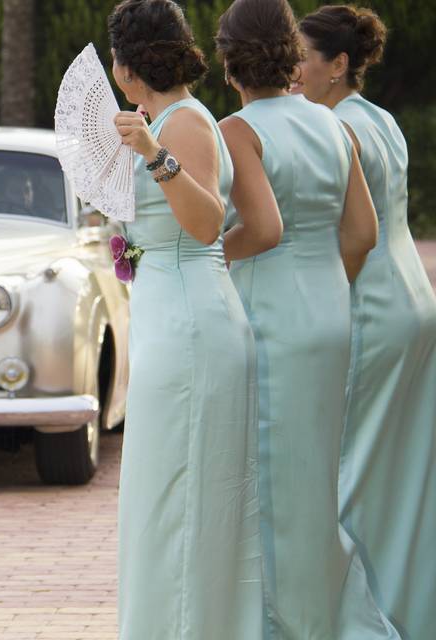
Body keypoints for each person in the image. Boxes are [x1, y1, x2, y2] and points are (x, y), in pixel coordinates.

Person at [216, 0, 399, 638]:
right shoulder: (332, 125)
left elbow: (258, 231)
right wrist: (327, 289)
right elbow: (363, 233)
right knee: (315, 476)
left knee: (273, 480)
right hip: (330, 313)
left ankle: (286, 622)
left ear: (229, 60)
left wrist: (211, 254)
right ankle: (331, 611)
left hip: (276, 320)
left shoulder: (238, 132)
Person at [107, 1, 262, 637]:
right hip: (165, 318)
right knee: (160, 493)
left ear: (126, 68)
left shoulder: (186, 123)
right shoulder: (157, 120)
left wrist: (152, 152)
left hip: (193, 326)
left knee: (184, 493)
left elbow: (205, 225)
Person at [295, 7, 436, 639]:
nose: (293, 70)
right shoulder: (380, 120)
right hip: (412, 301)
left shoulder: (333, 130)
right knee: (401, 475)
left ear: (339, 65)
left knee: (347, 473)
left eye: (303, 57)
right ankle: (405, 609)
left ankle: (361, 623)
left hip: (371, 308)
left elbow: (345, 237)